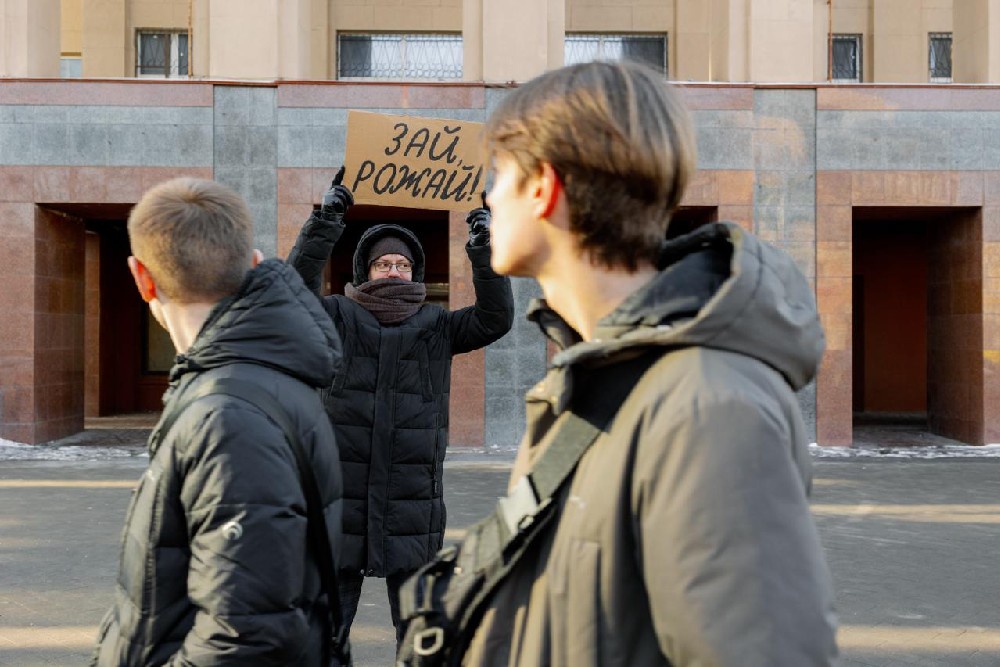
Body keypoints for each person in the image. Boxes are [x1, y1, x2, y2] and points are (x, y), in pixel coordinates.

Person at [459, 61, 839, 665]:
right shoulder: (598, 376)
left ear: (542, 187)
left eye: (499, 172)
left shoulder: (707, 407)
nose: (487, 194)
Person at [91, 178, 344, 666]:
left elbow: (245, 633)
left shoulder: (227, 417)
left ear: (141, 277)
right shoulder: (239, 384)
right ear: (252, 263)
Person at [287, 171, 515, 654]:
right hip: (340, 506)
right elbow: (294, 289)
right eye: (383, 264)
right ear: (365, 271)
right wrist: (327, 218)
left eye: (402, 264)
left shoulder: (437, 326)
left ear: (415, 273)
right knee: (324, 636)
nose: (393, 270)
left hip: (412, 508)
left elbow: (495, 318)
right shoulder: (334, 317)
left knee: (419, 640)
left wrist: (485, 247)